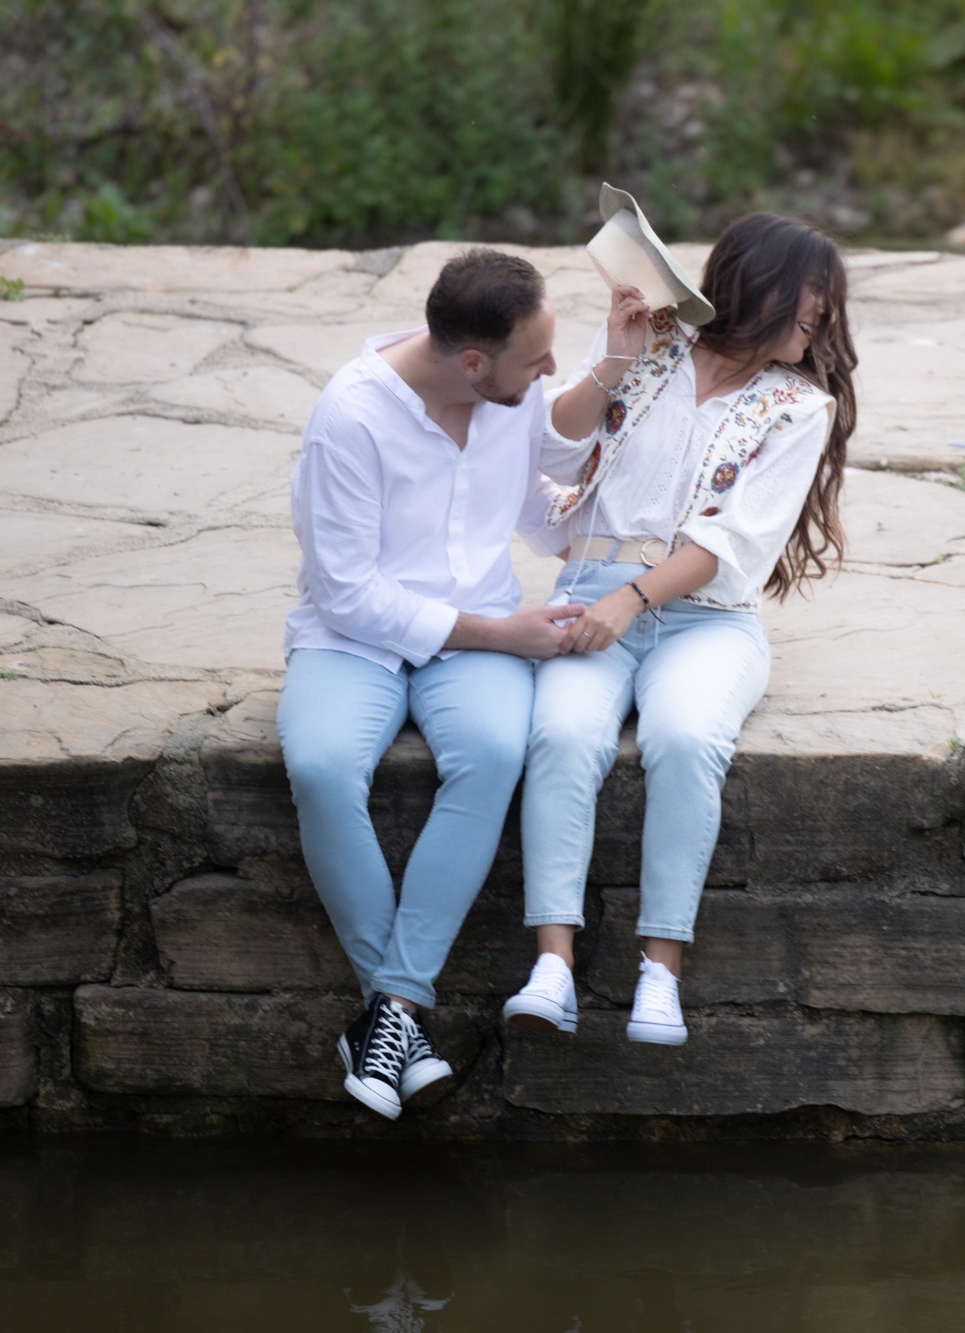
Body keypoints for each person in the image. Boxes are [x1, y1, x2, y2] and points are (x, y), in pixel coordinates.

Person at [501, 206, 858, 1045]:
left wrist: (628, 603)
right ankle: (551, 963)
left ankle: (660, 971)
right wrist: (614, 358)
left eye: (826, 304)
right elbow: (554, 447)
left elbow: (728, 543)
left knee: (689, 739)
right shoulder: (650, 343)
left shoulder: (799, 407)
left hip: (706, 622)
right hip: (591, 588)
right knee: (560, 734)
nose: (821, 315)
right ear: (757, 284)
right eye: (811, 296)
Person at [278, 248, 582, 1120]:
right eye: (537, 358)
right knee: (322, 766)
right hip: (355, 640)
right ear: (472, 361)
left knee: (492, 751)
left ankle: (389, 1013)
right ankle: (401, 1011)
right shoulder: (350, 417)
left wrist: (616, 531)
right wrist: (504, 634)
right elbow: (344, 589)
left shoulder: (505, 397)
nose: (550, 372)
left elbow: (532, 511)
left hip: (477, 635)